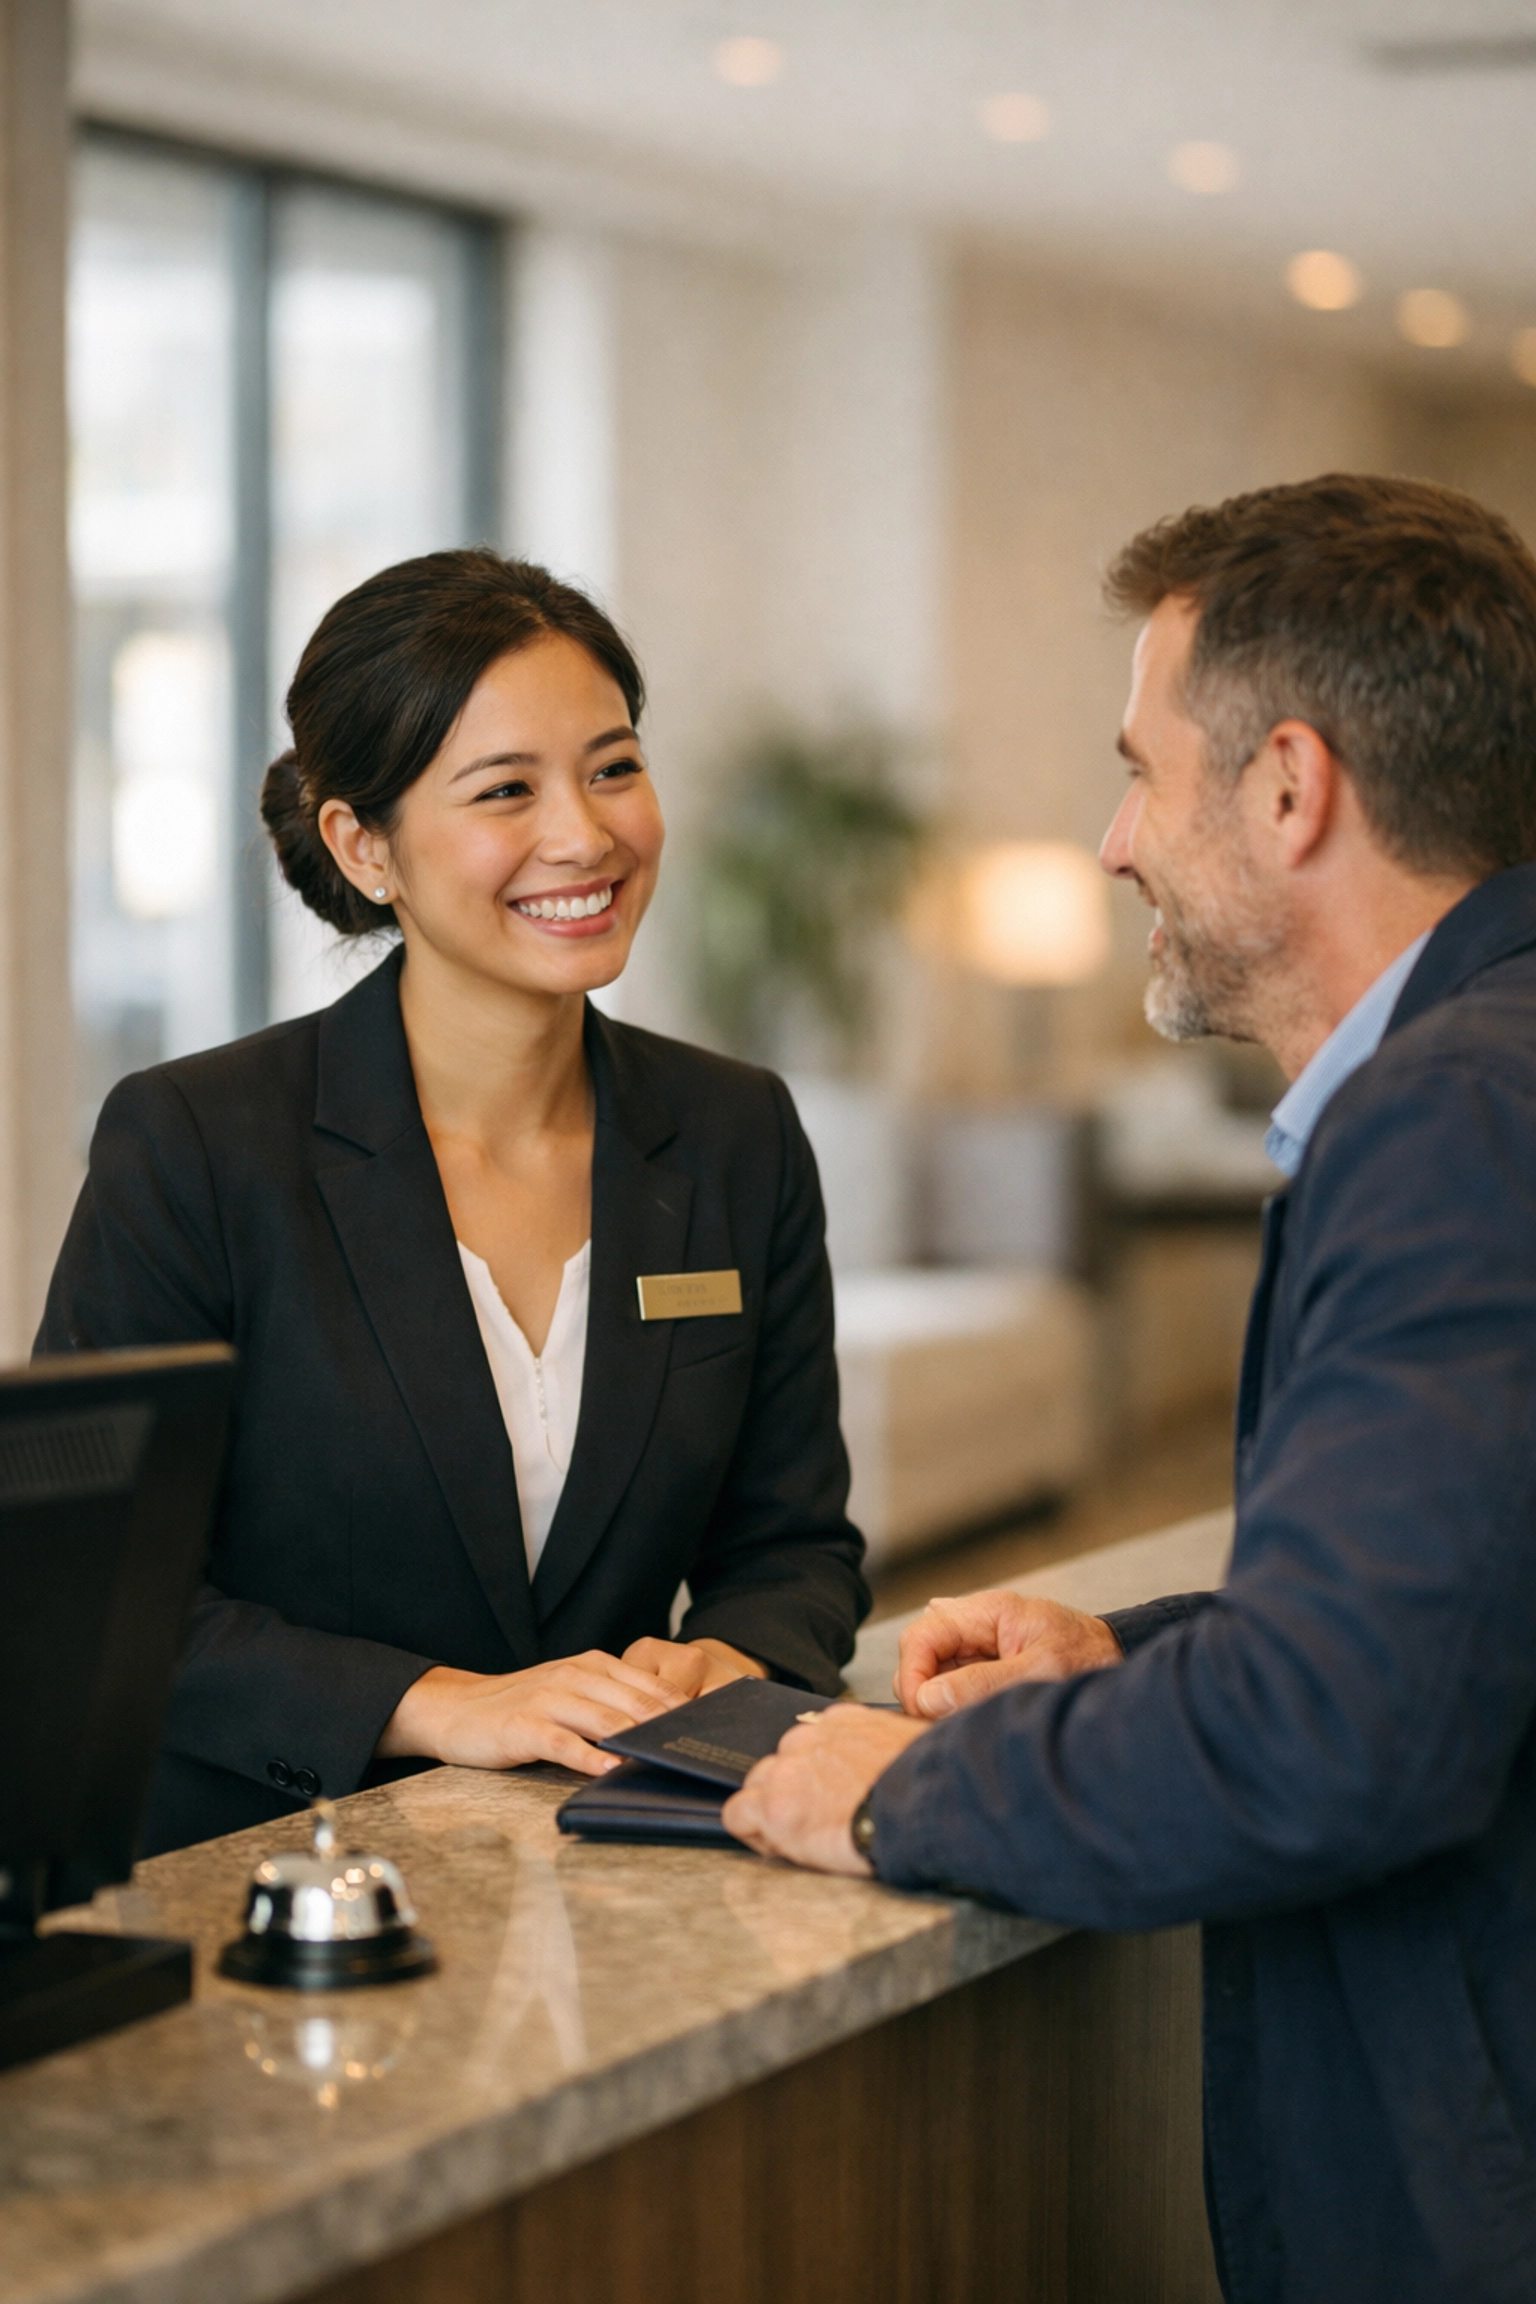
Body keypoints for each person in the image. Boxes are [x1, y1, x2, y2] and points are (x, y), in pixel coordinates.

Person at [725, 475, 1536, 2304]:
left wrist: (889, 1796)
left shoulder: (1451, 1122)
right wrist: (1142, 1654)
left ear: (1287, 789)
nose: (1110, 842)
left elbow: (1333, 1746)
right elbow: (1467, 1594)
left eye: (1141, 769)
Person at [42, 548, 867, 1854]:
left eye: (613, 766)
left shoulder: (733, 1134)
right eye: (506, 791)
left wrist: (728, 1660)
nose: (585, 835)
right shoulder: (199, 1144)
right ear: (365, 847)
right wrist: (440, 1706)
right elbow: (99, 1596)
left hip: (613, 1870)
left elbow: (797, 1545)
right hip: (272, 1887)